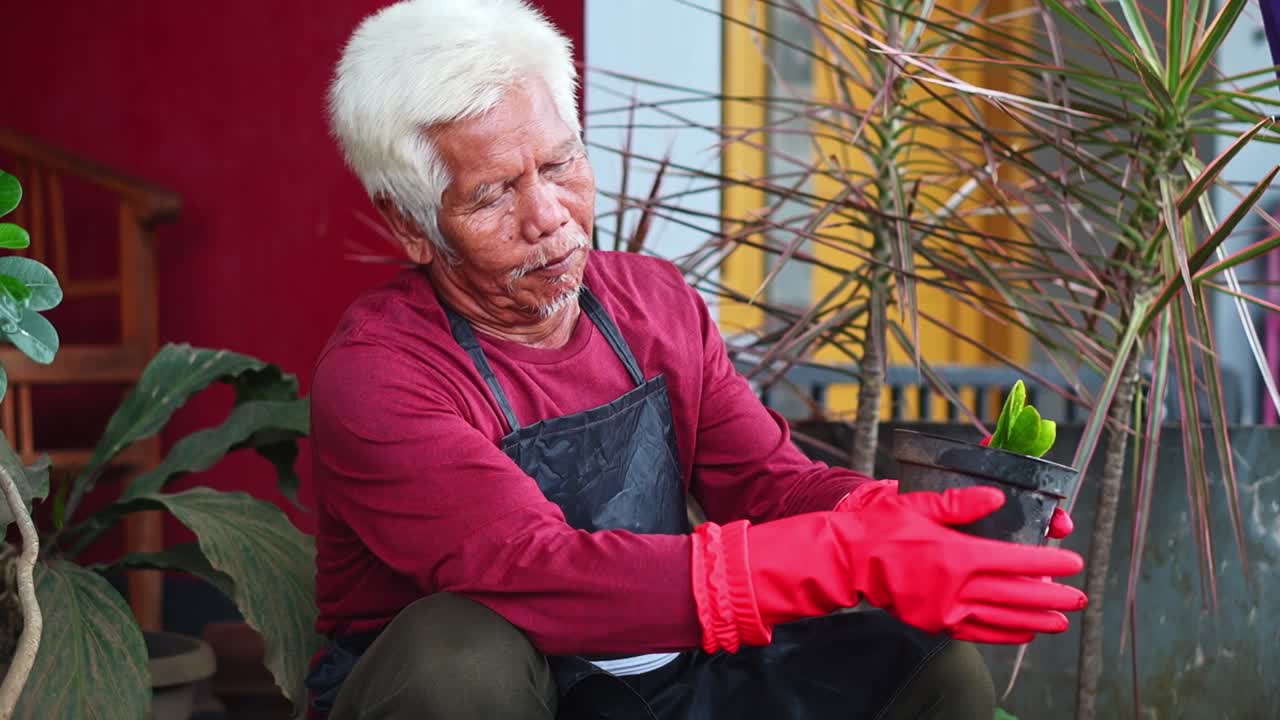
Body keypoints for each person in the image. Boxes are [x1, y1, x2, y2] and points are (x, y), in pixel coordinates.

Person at [305, 1, 1088, 718]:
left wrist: (910, 521)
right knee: (458, 655)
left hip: (665, 677)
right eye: (491, 195)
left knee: (927, 668)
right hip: (521, 691)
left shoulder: (655, 303)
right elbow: (531, 568)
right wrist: (849, 558)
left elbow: (766, 481)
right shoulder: (382, 375)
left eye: (560, 164)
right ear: (410, 224)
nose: (547, 218)